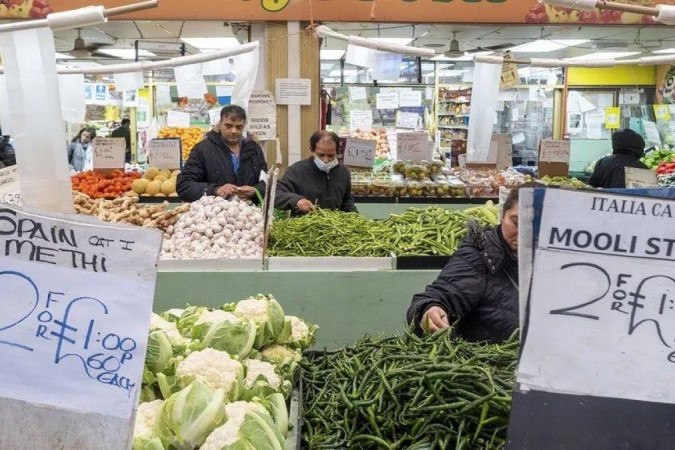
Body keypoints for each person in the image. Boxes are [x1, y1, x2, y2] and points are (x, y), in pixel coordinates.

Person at [406, 186, 522, 344]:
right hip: (488, 364)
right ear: (502, 216)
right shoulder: (479, 256)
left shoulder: (557, 263)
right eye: (516, 223)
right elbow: (440, 294)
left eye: (536, 226)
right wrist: (430, 309)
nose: (524, 233)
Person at [177, 105, 268, 204]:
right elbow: (184, 186)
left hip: (249, 214)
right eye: (228, 126)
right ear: (220, 124)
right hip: (213, 214)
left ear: (244, 126)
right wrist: (216, 190)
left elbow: (265, 182)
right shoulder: (202, 150)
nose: (234, 131)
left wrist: (256, 191)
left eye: (239, 127)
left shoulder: (254, 149)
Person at [275, 131, 357, 215]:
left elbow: (347, 200)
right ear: (312, 150)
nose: (325, 160)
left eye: (331, 156)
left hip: (333, 226)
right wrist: (297, 200)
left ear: (337, 152)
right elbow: (276, 193)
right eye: (321, 155)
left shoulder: (343, 172)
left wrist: (356, 217)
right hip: (305, 226)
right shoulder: (297, 170)